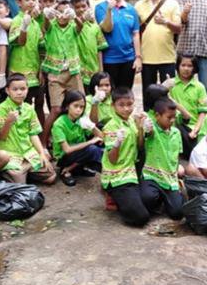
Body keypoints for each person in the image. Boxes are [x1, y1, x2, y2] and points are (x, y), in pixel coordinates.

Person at [0, 73, 56, 184]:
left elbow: (33, 134)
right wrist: (8, 122)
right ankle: (16, 174)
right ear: (7, 91)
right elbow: (1, 137)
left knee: (51, 177)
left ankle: (26, 173)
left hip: (28, 153)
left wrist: (41, 153)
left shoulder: (28, 108)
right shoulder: (1, 109)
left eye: (23, 89)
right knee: (19, 185)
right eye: (15, 89)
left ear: (27, 89)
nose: (19, 92)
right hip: (11, 155)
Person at [100, 87, 149, 226]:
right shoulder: (111, 127)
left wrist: (141, 128)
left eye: (129, 104)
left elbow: (140, 147)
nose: (126, 109)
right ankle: (112, 193)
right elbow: (112, 159)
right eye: (121, 105)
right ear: (113, 105)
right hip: (118, 174)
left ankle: (124, 197)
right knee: (141, 217)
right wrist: (116, 144)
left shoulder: (132, 121)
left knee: (151, 203)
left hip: (132, 169)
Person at [39, 0, 84, 147]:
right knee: (56, 109)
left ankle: (80, 141)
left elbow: (80, 26)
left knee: (79, 106)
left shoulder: (72, 26)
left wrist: (75, 16)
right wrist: (46, 15)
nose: (63, 15)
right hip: (56, 73)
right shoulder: (51, 26)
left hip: (73, 72)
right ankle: (44, 143)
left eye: (66, 12)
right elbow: (44, 26)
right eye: (60, 11)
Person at [135, 0, 181, 90]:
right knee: (149, 95)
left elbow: (179, 29)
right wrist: (137, 56)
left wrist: (165, 21)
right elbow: (135, 33)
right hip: (147, 58)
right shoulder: (138, 5)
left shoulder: (172, 3)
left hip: (167, 57)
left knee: (169, 94)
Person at [95, 0, 142, 89]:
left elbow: (135, 34)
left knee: (125, 94)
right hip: (109, 59)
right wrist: (109, 10)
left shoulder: (131, 9)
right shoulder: (100, 7)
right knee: (109, 93)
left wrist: (138, 57)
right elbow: (107, 28)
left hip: (128, 59)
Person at [141, 98, 185, 219]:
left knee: (178, 213)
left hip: (170, 178)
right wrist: (146, 128)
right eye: (168, 117)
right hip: (152, 176)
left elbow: (177, 156)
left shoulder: (176, 133)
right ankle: (159, 199)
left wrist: (176, 173)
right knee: (147, 199)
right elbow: (147, 134)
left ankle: (171, 196)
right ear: (157, 116)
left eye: (174, 117)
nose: (172, 120)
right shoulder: (152, 130)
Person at [51, 90, 104, 186]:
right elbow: (67, 150)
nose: (79, 110)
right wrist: (90, 142)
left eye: (81, 107)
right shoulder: (59, 124)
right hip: (65, 157)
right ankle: (66, 170)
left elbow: (101, 137)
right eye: (76, 106)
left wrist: (92, 126)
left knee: (99, 128)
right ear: (67, 106)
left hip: (81, 151)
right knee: (92, 148)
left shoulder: (81, 119)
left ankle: (75, 168)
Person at [7, 0, 45, 109]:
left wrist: (41, 70)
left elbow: (41, 48)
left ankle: (40, 128)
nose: (31, 2)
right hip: (19, 70)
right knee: (22, 103)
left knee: (39, 102)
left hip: (34, 69)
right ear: (18, 3)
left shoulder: (35, 23)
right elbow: (20, 42)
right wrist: (24, 27)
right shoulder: (17, 20)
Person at [168, 54, 207, 158]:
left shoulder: (199, 87)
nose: (186, 69)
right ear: (177, 66)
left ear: (194, 68)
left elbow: (203, 112)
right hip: (174, 126)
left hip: (193, 127)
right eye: (183, 65)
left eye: (190, 66)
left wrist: (196, 129)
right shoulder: (171, 84)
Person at [71, 0, 107, 87]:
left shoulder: (95, 27)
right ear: (72, 9)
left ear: (89, 7)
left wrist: (101, 70)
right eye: (77, 7)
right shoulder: (71, 26)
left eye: (84, 6)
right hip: (77, 71)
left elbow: (99, 49)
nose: (81, 9)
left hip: (93, 69)